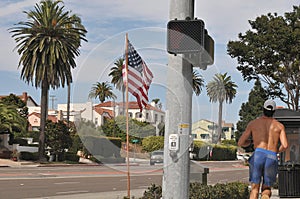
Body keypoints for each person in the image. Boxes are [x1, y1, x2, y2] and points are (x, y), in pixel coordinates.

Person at [238, 99, 289, 199]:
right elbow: (285, 145)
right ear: (274, 111)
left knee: (254, 188)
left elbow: (241, 143)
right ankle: (265, 196)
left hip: (258, 155)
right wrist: (276, 151)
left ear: (263, 109)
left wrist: (250, 143)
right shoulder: (279, 126)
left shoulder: (253, 124)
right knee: (266, 188)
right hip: (271, 155)